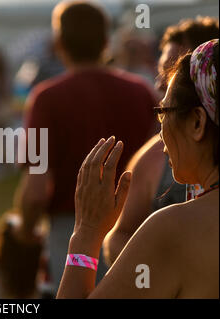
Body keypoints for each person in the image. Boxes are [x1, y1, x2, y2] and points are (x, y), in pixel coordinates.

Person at [12, 0, 156, 296]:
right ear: (106, 41)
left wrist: (24, 234)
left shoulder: (46, 98)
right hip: (137, 232)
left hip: (71, 233)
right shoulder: (141, 93)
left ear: (59, 43)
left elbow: (36, 190)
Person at [57, 39, 219, 298]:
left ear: (197, 122)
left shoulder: (174, 229)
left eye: (164, 111)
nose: (160, 132)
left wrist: (86, 233)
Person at [103, 16, 219, 265]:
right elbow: (119, 235)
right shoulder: (153, 154)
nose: (159, 83)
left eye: (172, 73)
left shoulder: (168, 223)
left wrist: (83, 238)